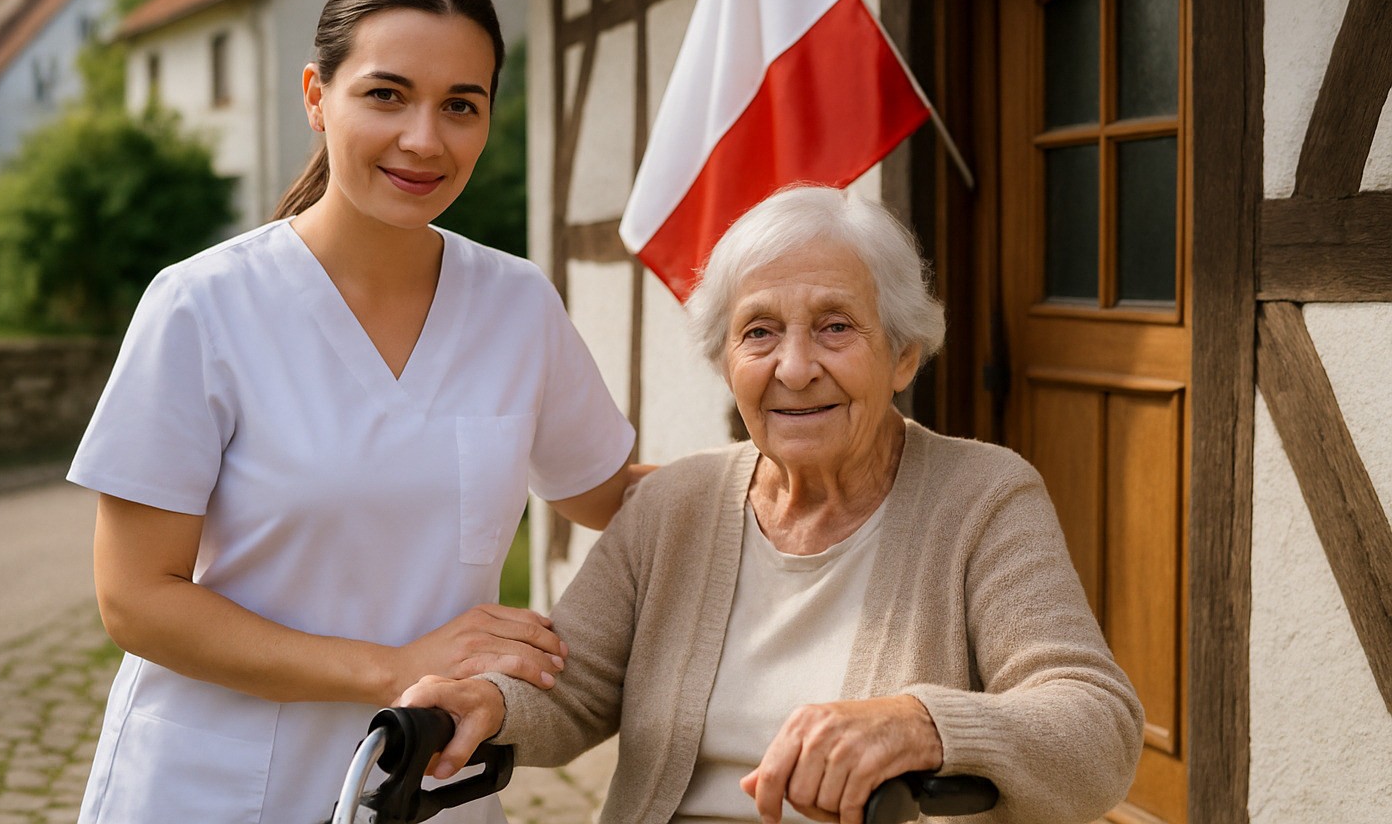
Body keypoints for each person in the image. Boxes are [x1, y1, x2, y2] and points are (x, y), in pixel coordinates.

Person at [70, 0, 639, 824]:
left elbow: (611, 496)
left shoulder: (518, 305)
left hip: (425, 784)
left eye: (461, 105)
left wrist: (796, 473)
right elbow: (137, 600)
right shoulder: (201, 306)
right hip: (216, 786)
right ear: (317, 95)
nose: (425, 139)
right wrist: (392, 667)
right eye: (386, 95)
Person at [402, 185, 1145, 824]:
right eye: (758, 332)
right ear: (727, 363)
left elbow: (1098, 728)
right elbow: (573, 685)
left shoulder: (983, 497)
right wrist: (488, 702)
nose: (794, 368)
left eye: (835, 327)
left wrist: (921, 723)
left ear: (903, 354)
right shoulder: (671, 504)